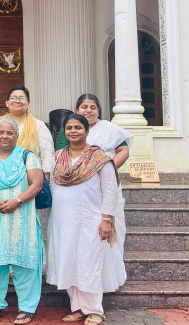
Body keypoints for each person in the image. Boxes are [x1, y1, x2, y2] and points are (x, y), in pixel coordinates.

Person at [47, 115, 126, 325]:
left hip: (90, 219)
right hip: (63, 220)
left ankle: (94, 311)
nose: (73, 131)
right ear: (64, 132)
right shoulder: (59, 156)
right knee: (68, 262)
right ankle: (78, 308)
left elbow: (109, 190)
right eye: (69, 128)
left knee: (88, 262)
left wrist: (106, 219)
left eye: (78, 127)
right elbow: (54, 185)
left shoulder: (99, 158)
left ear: (87, 131)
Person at [0, 118, 45, 325]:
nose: (5, 136)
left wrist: (17, 201)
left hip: (22, 216)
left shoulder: (28, 156)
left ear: (16, 136)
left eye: (10, 133)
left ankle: (27, 308)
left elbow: (37, 184)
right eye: (1, 132)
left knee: (26, 262)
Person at [54, 94, 133, 168]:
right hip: (75, 173)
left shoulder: (110, 128)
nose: (89, 110)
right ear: (77, 110)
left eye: (93, 108)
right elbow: (60, 154)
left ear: (98, 111)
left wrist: (108, 169)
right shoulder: (69, 129)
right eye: (84, 107)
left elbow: (123, 151)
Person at [0, 86, 54, 177]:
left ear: (28, 104)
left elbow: (47, 154)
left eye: (22, 98)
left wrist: (46, 177)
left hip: (31, 179)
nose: (17, 101)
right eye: (13, 98)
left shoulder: (38, 125)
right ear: (7, 103)